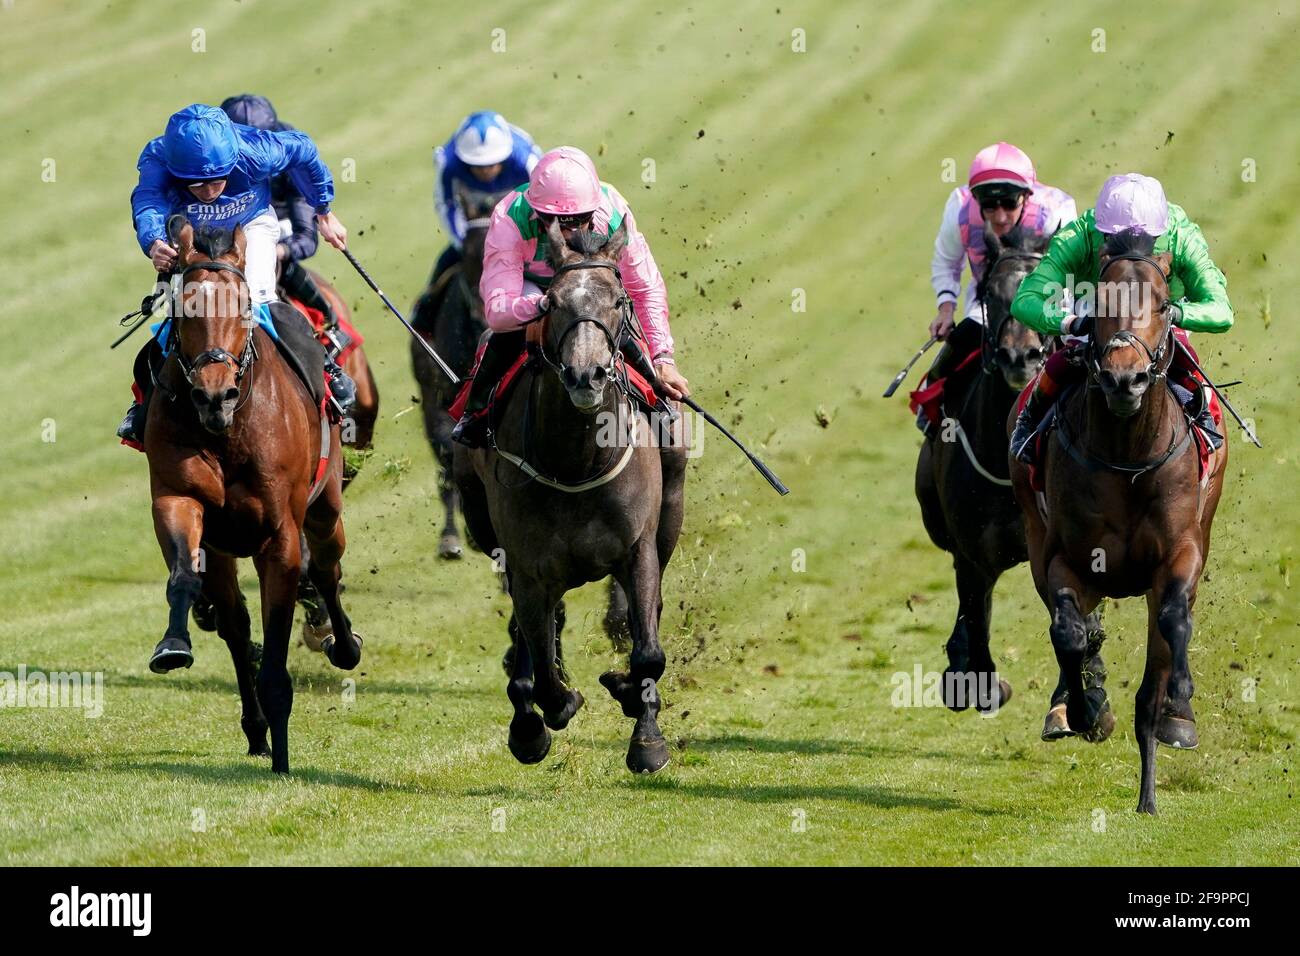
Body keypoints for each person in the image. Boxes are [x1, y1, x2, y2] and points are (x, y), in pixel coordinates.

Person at [117, 103, 354, 446]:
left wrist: (323, 210)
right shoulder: (157, 158)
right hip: (191, 231)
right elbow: (149, 200)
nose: (210, 191)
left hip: (250, 226)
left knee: (258, 298)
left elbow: (303, 149)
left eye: (217, 180)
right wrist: (153, 241)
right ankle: (143, 404)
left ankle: (327, 372)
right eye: (196, 184)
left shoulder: (255, 150)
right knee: (182, 309)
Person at [450, 146, 689, 447]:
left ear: (594, 210)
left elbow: (644, 288)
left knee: (616, 319)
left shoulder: (613, 213)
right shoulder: (510, 218)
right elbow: (497, 311)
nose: (569, 232)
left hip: (592, 283)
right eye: (555, 222)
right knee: (506, 335)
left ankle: (657, 403)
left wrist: (663, 357)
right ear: (536, 212)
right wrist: (545, 304)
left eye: (580, 220)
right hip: (532, 287)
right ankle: (477, 412)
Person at [1009, 173, 1231, 461]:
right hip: (1099, 308)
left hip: (1156, 311)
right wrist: (1070, 322)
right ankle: (1028, 422)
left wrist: (1174, 313)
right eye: (1116, 240)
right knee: (1064, 359)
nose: (1129, 247)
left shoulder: (1181, 237)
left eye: (1144, 241)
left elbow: (1222, 311)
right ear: (1102, 232)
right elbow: (1025, 300)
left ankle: (1205, 425)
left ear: (1158, 235)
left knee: (1187, 362)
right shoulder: (1078, 236)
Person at [923, 142, 1077, 399]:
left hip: (1050, 296)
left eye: (1008, 203)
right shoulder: (960, 209)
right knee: (960, 341)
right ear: (976, 200)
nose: (1000, 216)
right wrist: (946, 308)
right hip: (991, 297)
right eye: (989, 205)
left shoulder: (1056, 209)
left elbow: (1073, 271)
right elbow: (947, 262)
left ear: (1026, 197)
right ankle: (933, 412)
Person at [220, 93, 340, 330]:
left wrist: (279, 250)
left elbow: (306, 238)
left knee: (269, 259)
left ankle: (330, 333)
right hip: (225, 239)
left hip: (276, 234)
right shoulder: (211, 163)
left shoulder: (291, 160)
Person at [420, 110, 541, 323]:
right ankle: (422, 321)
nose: (485, 172)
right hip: (474, 230)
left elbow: (541, 204)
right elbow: (445, 206)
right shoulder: (447, 164)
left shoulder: (527, 161)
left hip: (518, 228)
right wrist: (462, 243)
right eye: (478, 166)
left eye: (491, 164)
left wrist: (523, 241)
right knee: (444, 265)